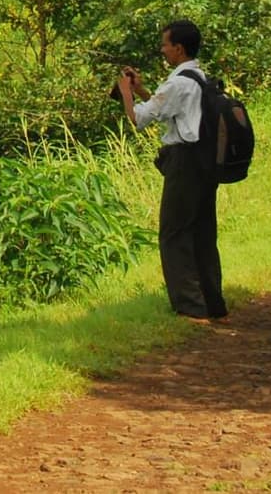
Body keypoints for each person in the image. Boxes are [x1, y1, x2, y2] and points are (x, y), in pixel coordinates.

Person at [116, 19, 226, 320]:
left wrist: (125, 92)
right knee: (202, 233)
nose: (162, 50)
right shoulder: (199, 78)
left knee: (174, 234)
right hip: (205, 164)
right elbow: (167, 111)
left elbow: (138, 120)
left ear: (178, 48)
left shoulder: (177, 83)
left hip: (184, 164)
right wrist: (141, 90)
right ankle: (213, 304)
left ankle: (190, 308)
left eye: (165, 45)